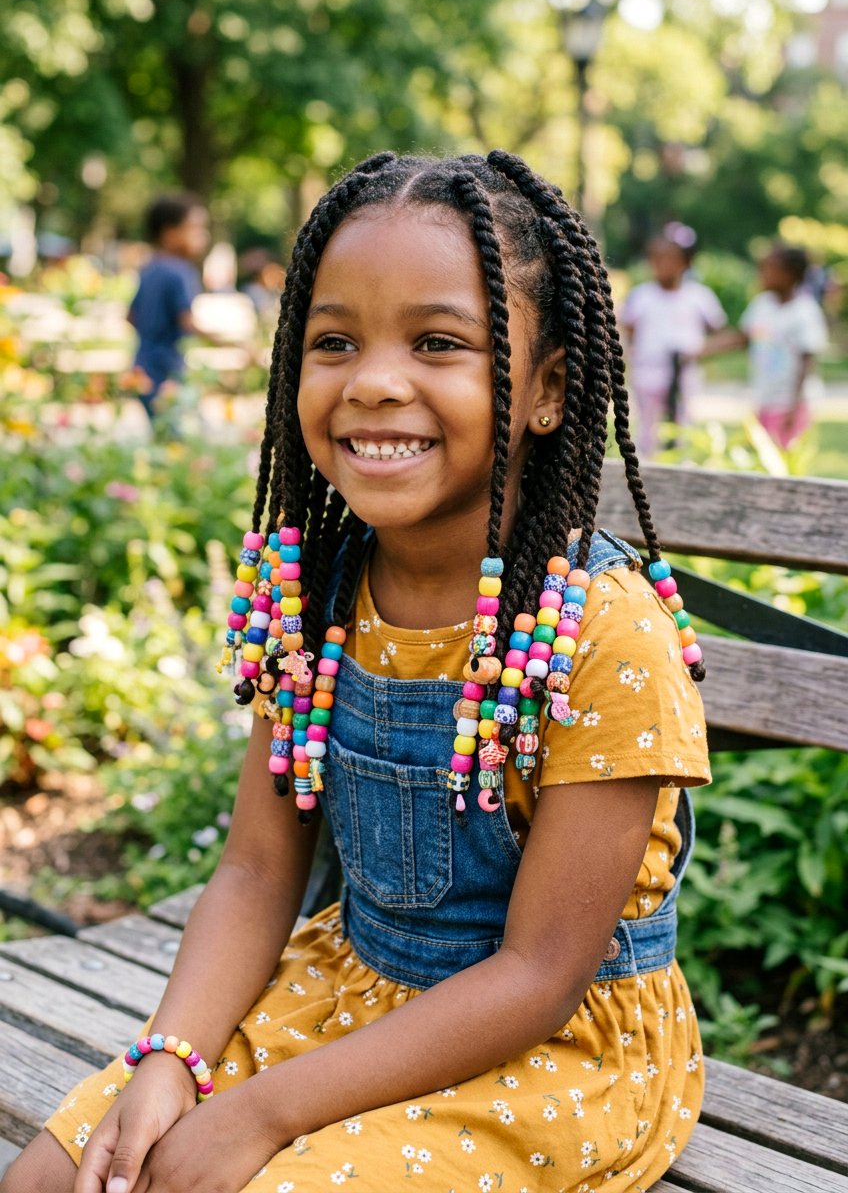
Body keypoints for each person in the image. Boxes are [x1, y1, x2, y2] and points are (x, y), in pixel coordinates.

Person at [3, 153, 711, 1193]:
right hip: (349, 991)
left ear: (548, 388)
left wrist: (258, 1113)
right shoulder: (318, 598)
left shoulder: (602, 636)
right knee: (59, 1177)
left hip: (543, 1051)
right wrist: (171, 1062)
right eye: (333, 341)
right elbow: (253, 871)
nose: (373, 380)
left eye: (436, 342)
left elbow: (538, 978)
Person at [703, 244, 828, 449]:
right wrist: (703, 351)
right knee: (764, 455)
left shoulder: (805, 312)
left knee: (784, 459)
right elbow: (743, 338)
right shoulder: (762, 305)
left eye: (770, 269)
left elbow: (807, 361)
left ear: (790, 274)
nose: (762, 275)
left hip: (790, 404)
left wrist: (794, 406)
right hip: (764, 398)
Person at [620, 225, 726, 456]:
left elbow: (719, 332)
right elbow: (628, 332)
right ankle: (648, 467)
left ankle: (679, 464)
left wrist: (697, 352)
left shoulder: (699, 296)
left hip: (684, 374)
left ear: (686, 263)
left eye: (670, 259)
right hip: (648, 374)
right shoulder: (641, 296)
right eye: (657, 259)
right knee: (648, 426)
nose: (663, 265)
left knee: (682, 426)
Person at [127, 193, 210, 428]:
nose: (202, 236)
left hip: (142, 369)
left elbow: (131, 316)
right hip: (168, 371)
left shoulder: (149, 268)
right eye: (195, 228)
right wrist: (230, 342)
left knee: (163, 435)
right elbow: (187, 321)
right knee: (178, 438)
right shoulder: (180, 271)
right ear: (170, 233)